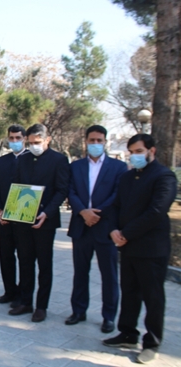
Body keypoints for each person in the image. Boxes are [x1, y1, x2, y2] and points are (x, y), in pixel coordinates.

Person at [103, 134, 177, 364]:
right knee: (130, 292)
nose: (134, 156)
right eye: (131, 152)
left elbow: (156, 212)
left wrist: (125, 233)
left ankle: (152, 342)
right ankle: (127, 333)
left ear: (151, 151)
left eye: (138, 151)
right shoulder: (127, 178)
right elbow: (115, 206)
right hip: (128, 247)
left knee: (153, 297)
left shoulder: (164, 176)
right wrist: (113, 229)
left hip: (151, 248)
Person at [1, 123, 69, 322]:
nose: (33, 146)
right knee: (25, 262)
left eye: (37, 142)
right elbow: (18, 186)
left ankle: (41, 306)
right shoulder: (24, 160)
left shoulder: (59, 160)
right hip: (23, 220)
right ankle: (25, 301)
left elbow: (62, 190)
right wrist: (11, 211)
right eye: (30, 143)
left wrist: (46, 212)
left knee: (44, 265)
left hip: (45, 222)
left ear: (47, 140)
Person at [65, 125, 127, 333]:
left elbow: (118, 195)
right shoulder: (76, 166)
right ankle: (78, 311)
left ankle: (109, 316)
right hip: (81, 226)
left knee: (108, 274)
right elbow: (71, 191)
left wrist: (96, 214)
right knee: (80, 272)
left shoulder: (118, 167)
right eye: (92, 140)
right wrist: (83, 212)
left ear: (105, 142)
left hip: (105, 227)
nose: (95, 144)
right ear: (86, 141)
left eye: (99, 140)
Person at [0, 125, 28, 307]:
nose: (14, 141)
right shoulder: (3, 161)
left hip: (23, 218)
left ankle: (23, 294)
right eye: (11, 138)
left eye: (18, 138)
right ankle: (9, 291)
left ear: (24, 139)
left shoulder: (31, 159)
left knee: (24, 257)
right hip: (4, 219)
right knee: (6, 257)